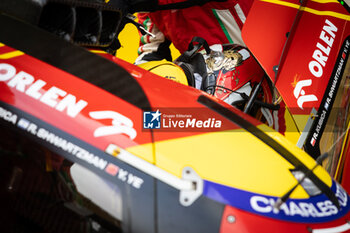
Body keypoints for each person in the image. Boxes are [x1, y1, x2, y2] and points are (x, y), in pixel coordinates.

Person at [134, 0, 253, 64]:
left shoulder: (147, 3)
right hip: (206, 81)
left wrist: (134, 2)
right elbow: (151, 51)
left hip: (258, 68)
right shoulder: (147, 6)